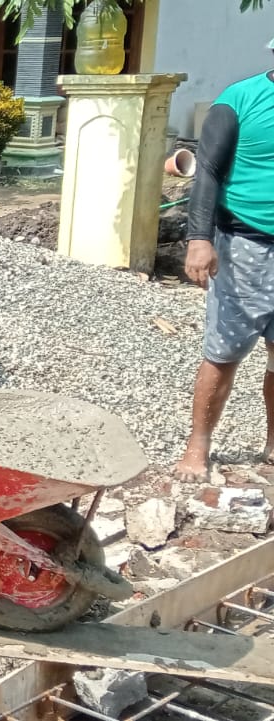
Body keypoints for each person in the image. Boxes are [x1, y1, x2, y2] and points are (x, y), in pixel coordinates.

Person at [175, 42, 274, 482]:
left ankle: (273, 445)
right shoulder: (239, 100)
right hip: (245, 247)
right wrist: (199, 239)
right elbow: (208, 171)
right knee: (223, 352)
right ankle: (198, 446)